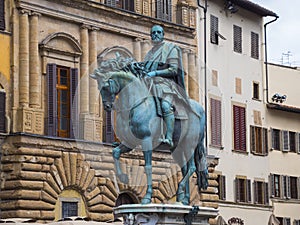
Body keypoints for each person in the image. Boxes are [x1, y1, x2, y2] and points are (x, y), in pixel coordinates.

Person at [143, 24, 186, 148]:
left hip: (167, 86)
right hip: (150, 85)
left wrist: (155, 73)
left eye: (158, 32)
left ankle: (169, 137)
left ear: (163, 35)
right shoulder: (149, 54)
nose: (155, 34)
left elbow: (173, 70)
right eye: (153, 33)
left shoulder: (171, 49)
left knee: (165, 106)